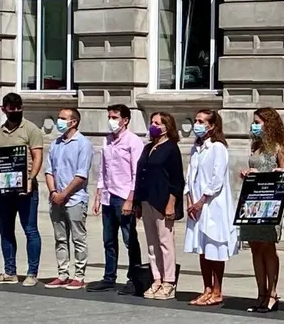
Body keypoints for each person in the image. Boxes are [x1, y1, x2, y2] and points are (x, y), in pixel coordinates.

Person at [0, 93, 44, 286]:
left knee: (30, 230)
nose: (16, 111)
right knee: (5, 230)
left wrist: (31, 179)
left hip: (25, 190)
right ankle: (9, 271)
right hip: (3, 190)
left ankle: (32, 273)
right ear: (4, 110)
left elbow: (37, 157)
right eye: (12, 108)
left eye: (19, 108)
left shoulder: (31, 129)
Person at [184, 109, 240, 307]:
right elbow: (190, 175)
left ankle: (217, 290)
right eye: (196, 120)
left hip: (212, 204)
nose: (197, 124)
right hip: (196, 205)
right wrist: (190, 199)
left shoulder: (218, 148)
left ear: (212, 125)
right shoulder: (196, 148)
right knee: (202, 248)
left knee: (214, 247)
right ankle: (206, 287)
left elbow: (217, 179)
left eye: (201, 121)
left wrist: (201, 200)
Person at [88, 104, 144, 293]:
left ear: (125, 120)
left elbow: (136, 173)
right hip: (108, 195)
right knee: (108, 239)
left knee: (129, 238)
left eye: (115, 117)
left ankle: (134, 278)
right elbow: (104, 170)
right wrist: (98, 194)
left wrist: (131, 198)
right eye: (110, 117)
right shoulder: (107, 140)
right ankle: (109, 276)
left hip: (123, 195)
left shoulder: (133, 141)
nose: (111, 121)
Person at [241, 107, 284, 313]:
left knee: (268, 247)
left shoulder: (279, 147)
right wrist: (247, 173)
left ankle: (272, 292)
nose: (255, 125)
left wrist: (262, 174)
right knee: (255, 247)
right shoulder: (256, 145)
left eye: (258, 122)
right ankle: (260, 292)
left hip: (270, 200)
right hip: (252, 199)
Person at [134, 112, 184, 300]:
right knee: (152, 243)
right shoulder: (148, 148)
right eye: (152, 122)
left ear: (166, 127)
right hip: (147, 199)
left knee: (165, 242)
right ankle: (156, 278)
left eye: (157, 123)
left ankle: (169, 281)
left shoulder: (171, 148)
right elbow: (140, 174)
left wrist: (171, 204)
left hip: (162, 201)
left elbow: (176, 180)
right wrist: (137, 201)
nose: (153, 125)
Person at [45, 108, 92, 289]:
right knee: (60, 238)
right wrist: (53, 192)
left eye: (63, 118)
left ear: (74, 122)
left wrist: (65, 194)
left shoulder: (83, 144)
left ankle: (79, 275)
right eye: (59, 117)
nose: (59, 121)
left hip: (75, 198)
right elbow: (49, 171)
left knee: (78, 238)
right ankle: (62, 273)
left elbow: (81, 174)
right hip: (56, 198)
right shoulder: (55, 144)